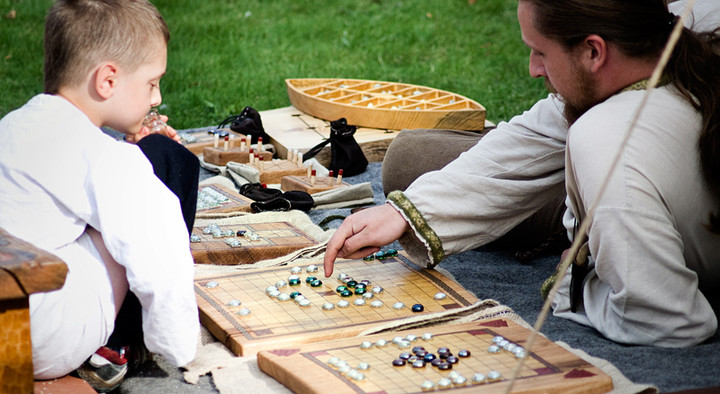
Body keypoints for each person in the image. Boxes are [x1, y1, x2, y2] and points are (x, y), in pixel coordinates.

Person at [324, 0, 720, 347]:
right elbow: (540, 133)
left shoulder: (606, 141)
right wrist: (405, 213)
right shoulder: (680, 24)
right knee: (412, 157)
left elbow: (666, 321)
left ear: (594, 51)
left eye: (540, 52)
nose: (532, 69)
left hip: (629, 186)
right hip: (618, 166)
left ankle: (583, 228)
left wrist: (578, 282)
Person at [0, 0, 200, 391]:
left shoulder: (13, 125)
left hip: (7, 301)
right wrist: (180, 347)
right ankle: (115, 347)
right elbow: (161, 254)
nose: (156, 97)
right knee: (164, 165)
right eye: (151, 82)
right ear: (107, 80)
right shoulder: (111, 161)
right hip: (37, 335)